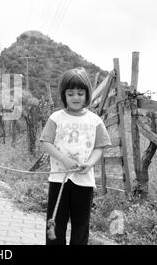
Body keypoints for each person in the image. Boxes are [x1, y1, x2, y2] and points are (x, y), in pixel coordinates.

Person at [40, 67, 111, 245]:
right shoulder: (56, 118)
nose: (75, 97)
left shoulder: (95, 120)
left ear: (87, 94)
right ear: (64, 95)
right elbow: (45, 142)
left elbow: (100, 147)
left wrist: (90, 163)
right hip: (58, 180)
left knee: (81, 226)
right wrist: (63, 159)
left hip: (84, 181)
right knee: (56, 224)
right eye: (70, 93)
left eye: (80, 93)